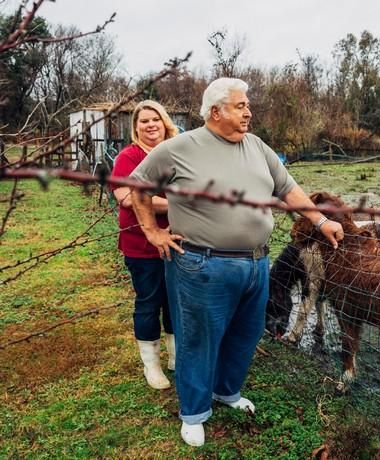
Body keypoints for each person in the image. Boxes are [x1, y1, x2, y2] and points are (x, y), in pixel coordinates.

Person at [129, 77, 343, 447]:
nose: (248, 111)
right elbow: (139, 186)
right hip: (201, 264)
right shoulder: (180, 146)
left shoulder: (257, 146)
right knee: (198, 339)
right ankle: (194, 413)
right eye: (240, 105)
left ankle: (226, 392)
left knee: (245, 335)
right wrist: (153, 233)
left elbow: (288, 188)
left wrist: (321, 221)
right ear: (216, 111)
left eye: (247, 105)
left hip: (256, 264)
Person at [111, 100, 178, 390]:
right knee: (149, 301)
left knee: (176, 301)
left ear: (165, 122)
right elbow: (126, 197)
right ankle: (151, 365)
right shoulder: (129, 157)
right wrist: (177, 204)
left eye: (155, 119)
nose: (150, 125)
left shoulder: (178, 151)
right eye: (144, 121)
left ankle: (178, 357)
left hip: (178, 241)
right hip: (142, 244)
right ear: (136, 127)